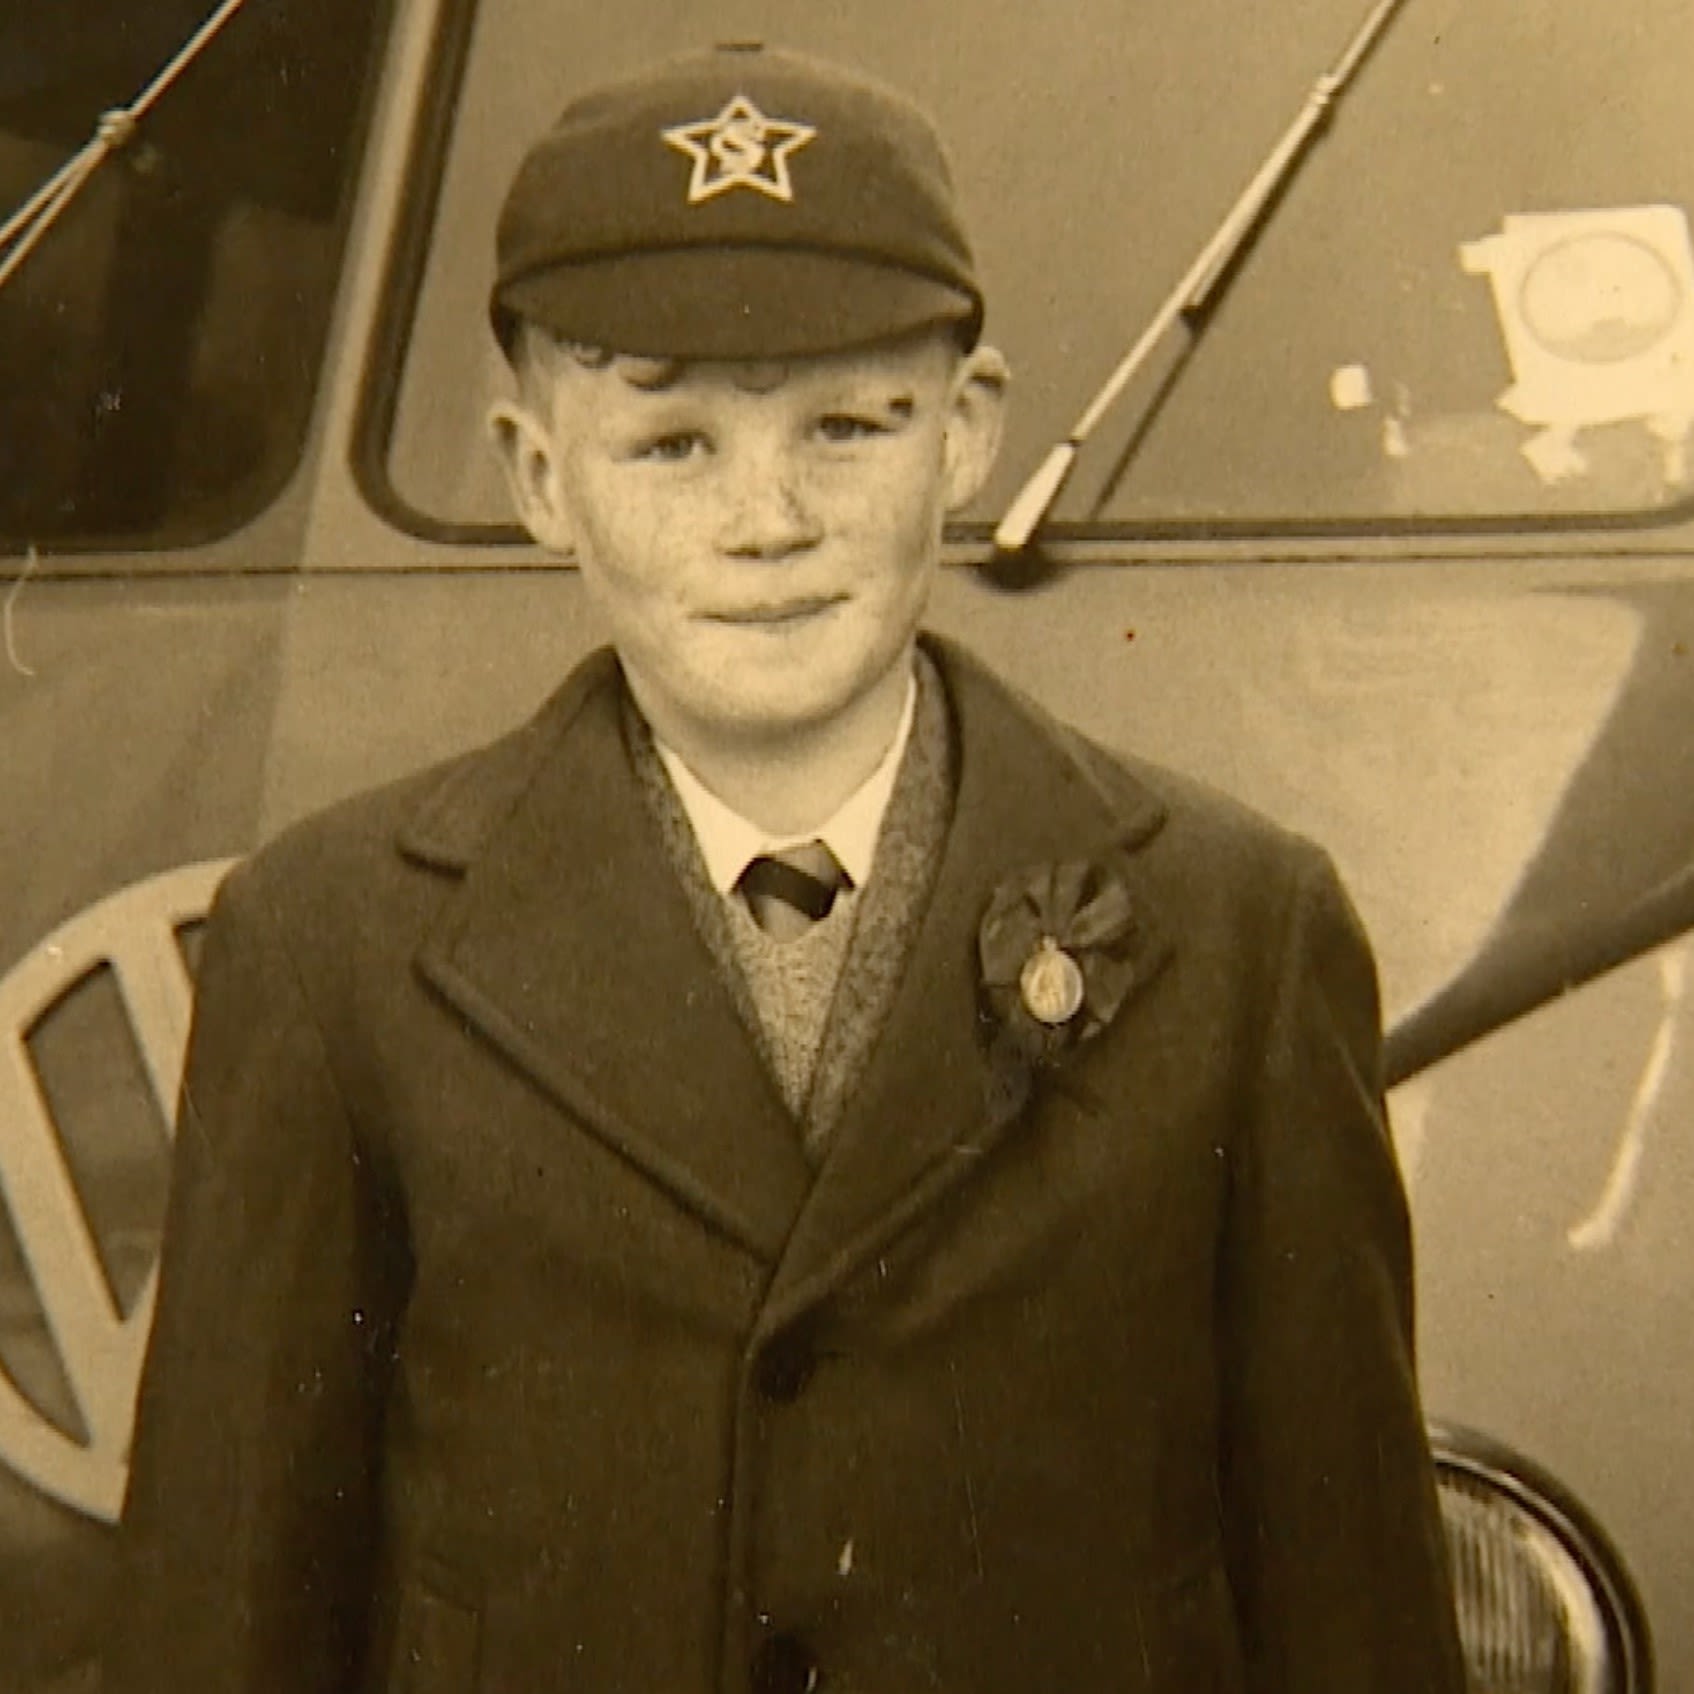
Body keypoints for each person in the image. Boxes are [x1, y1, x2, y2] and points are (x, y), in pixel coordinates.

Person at [106, 42, 1465, 1694]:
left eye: (847, 424)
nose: (767, 520)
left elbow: (1358, 1619)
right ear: (540, 476)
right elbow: (225, 1622)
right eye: (669, 444)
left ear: (964, 436)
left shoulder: (1238, 931)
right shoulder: (335, 946)